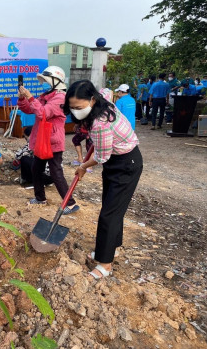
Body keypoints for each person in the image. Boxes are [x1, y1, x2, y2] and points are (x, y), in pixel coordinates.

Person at [63, 79, 143, 280]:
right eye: (72, 107)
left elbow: (101, 157)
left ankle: (105, 264)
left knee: (109, 214)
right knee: (112, 209)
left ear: (91, 100)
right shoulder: (102, 100)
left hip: (126, 164)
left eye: (79, 107)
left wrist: (83, 166)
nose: (75, 111)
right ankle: (111, 249)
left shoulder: (99, 123)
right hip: (117, 161)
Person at [17, 66, 79, 214]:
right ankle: (40, 198)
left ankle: (70, 204)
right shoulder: (45, 96)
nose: (43, 83)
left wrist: (30, 97)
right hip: (42, 140)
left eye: (46, 80)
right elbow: (29, 109)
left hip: (52, 142)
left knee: (56, 171)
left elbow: (43, 113)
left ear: (56, 82)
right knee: (36, 169)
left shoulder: (60, 98)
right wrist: (22, 98)